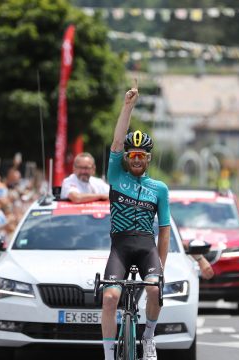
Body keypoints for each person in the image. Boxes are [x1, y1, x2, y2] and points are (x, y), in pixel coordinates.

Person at [100, 87, 170, 360]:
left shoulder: (159, 188)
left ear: (148, 159)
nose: (137, 160)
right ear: (127, 159)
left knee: (154, 289)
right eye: (133, 156)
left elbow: (164, 231)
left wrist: (161, 268)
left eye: (142, 156)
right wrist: (127, 106)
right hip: (120, 247)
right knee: (108, 299)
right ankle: (108, 355)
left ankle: (148, 337)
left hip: (146, 248)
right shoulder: (116, 176)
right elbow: (117, 142)